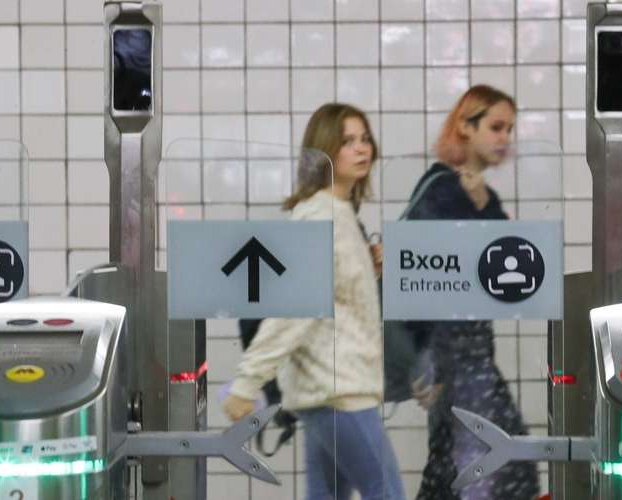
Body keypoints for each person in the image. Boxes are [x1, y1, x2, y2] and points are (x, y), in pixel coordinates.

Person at [222, 103, 405, 500]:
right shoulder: (322, 217)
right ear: (324, 150)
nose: (362, 149)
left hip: (328, 388)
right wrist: (247, 382)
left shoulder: (339, 214)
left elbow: (330, 296)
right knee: (386, 491)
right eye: (347, 141)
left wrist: (369, 270)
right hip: (339, 390)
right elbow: (295, 309)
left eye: (365, 139)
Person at [407, 85, 540, 500]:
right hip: (450, 354)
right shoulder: (441, 189)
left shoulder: (479, 194)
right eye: (496, 127)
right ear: (465, 126)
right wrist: (421, 362)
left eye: (510, 130)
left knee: (458, 468)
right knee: (498, 465)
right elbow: (421, 274)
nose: (505, 138)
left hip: (470, 353)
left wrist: (483, 205)